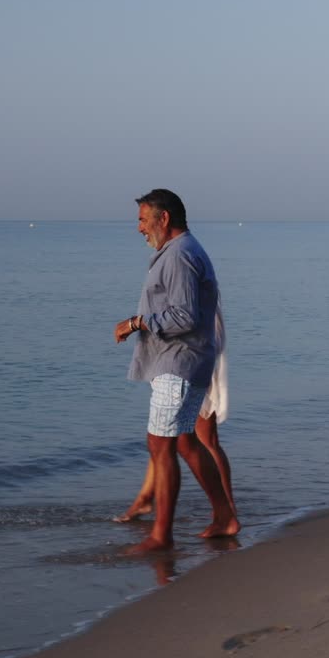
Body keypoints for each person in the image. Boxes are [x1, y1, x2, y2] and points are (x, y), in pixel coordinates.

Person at [113, 189, 239, 553]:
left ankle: (161, 536)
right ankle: (224, 517)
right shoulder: (178, 251)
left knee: (160, 444)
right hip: (182, 361)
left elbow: (184, 316)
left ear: (163, 218)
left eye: (142, 219)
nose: (139, 228)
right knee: (184, 441)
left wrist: (136, 322)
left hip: (179, 362)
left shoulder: (180, 254)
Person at [113, 309, 237, 523]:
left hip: (194, 357)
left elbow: (187, 317)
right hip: (180, 357)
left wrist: (134, 324)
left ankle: (227, 509)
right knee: (162, 436)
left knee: (205, 438)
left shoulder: (193, 287)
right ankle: (145, 498)